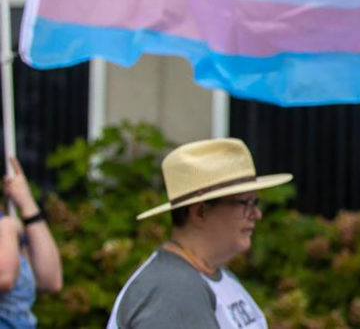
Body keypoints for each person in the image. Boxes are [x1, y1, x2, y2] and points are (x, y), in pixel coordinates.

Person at [107, 138, 292, 329]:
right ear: (200, 212)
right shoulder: (171, 290)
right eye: (246, 203)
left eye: (256, 203)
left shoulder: (210, 275)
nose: (257, 214)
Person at [0, 156, 62, 329]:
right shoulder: (6, 228)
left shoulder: (5, 222)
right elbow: (4, 278)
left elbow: (50, 280)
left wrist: (27, 205)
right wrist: (8, 231)